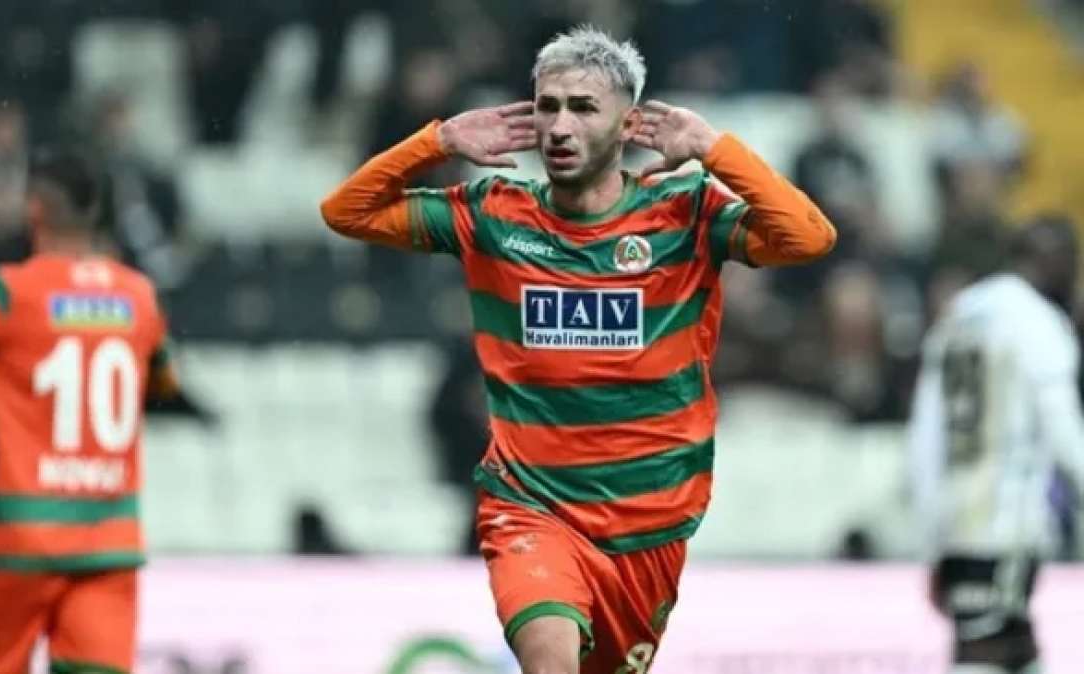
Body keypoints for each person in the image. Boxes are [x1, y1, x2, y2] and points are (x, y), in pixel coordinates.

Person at [321, 25, 835, 673]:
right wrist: (438, 141)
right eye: (548, 106)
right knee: (551, 662)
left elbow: (808, 238)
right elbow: (347, 212)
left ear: (629, 125)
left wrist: (715, 150)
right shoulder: (493, 214)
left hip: (649, 525)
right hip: (531, 508)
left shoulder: (684, 214)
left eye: (584, 108)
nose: (560, 127)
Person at [0, 150, 183, 674]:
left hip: (22, 539)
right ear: (96, 212)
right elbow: (164, 384)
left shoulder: (6, 292)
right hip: (109, 542)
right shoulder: (140, 298)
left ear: (35, 210)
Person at [909, 215, 1084, 674]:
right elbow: (1062, 426)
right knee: (983, 648)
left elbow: (926, 434)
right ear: (1056, 261)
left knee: (1015, 644)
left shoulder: (959, 314)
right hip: (1007, 522)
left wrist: (931, 538)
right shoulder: (1040, 321)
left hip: (955, 520)